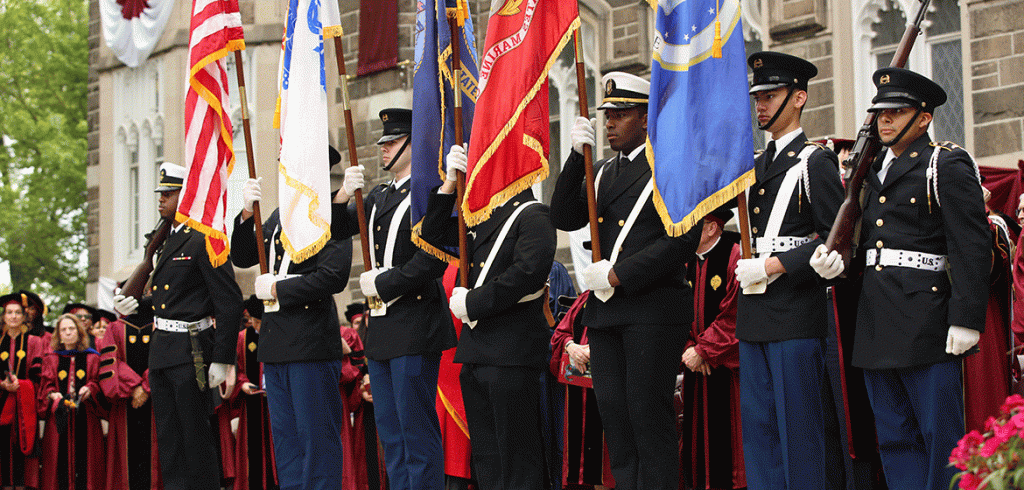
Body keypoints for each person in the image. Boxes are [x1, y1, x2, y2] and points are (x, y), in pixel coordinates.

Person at [810, 67, 990, 490]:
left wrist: (967, 317)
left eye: (897, 112)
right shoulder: (869, 171)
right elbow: (862, 240)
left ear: (924, 118)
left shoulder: (944, 164)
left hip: (926, 320)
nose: (884, 120)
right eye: (880, 113)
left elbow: (971, 245)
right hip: (875, 322)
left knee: (939, 438)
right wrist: (836, 265)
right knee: (894, 439)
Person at [548, 71, 702, 490]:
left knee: (647, 417)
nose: (610, 123)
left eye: (622, 114)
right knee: (615, 417)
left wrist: (618, 273)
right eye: (607, 115)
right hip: (606, 314)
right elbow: (562, 216)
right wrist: (573, 159)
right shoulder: (599, 172)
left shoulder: (670, 165)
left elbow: (683, 238)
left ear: (646, 119)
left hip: (652, 308)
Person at [735, 51, 845, 490]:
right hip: (754, 314)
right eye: (757, 96)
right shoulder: (751, 166)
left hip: (796, 313)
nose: (760, 105)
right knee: (761, 438)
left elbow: (835, 236)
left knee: (800, 437)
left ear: (798, 98)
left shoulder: (813, 162)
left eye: (771, 95)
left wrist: (776, 264)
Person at [334, 108, 457, 490]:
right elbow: (337, 229)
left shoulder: (430, 191)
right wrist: (340, 195)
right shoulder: (377, 195)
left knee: (416, 433)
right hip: (383, 328)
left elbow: (434, 257)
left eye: (391, 142)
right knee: (391, 434)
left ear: (411, 143)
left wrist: (386, 283)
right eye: (383, 143)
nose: (383, 149)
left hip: (416, 322)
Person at [421, 143, 556, 490]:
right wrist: (449, 185)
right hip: (477, 353)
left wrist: (475, 303)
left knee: (518, 459)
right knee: (488, 460)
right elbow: (431, 234)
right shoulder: (481, 220)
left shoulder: (534, 215)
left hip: (512, 352)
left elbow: (527, 272)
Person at [112, 161, 243, 490]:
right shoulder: (162, 240)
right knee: (169, 445)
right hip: (162, 353)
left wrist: (224, 357)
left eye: (169, 194)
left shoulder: (204, 239)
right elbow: (163, 301)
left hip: (193, 354)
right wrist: (135, 307)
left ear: (187, 197)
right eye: (161, 193)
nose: (161, 199)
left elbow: (228, 302)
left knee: (196, 443)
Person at [232, 155, 351, 490]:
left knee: (317, 443)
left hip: (310, 342)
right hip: (276, 345)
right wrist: (244, 214)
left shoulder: (328, 214)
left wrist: (277, 288)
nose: (284, 168)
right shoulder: (278, 216)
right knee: (286, 446)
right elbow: (241, 256)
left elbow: (333, 276)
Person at [680, 206, 745, 490]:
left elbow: (736, 312)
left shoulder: (735, 254)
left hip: (725, 370)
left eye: (692, 223)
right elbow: (674, 308)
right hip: (694, 366)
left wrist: (705, 350)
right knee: (694, 443)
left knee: (728, 445)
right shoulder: (683, 260)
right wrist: (689, 348)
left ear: (711, 227)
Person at [38, 313, 105, 490]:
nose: (68, 333)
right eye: (63, 330)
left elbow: (98, 382)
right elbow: (46, 386)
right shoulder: (51, 358)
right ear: (58, 334)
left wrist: (90, 388)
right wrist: (53, 395)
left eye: (71, 328)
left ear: (79, 331)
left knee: (87, 466)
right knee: (59, 467)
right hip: (59, 421)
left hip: (87, 419)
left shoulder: (92, 357)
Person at [97, 302, 157, 489]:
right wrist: (135, 388)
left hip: (157, 403)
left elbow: (164, 357)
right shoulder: (115, 328)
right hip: (125, 403)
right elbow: (111, 361)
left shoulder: (162, 325)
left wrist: (146, 387)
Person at [232, 295, 279, 490]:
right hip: (254, 404)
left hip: (277, 403)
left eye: (258, 321)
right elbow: (237, 369)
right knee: (255, 455)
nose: (255, 326)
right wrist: (242, 383)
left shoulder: (279, 333)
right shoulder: (244, 338)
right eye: (253, 321)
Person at [0, 294, 45, 490]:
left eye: (18, 313)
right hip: (1, 402)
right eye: (9, 313)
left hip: (24, 404)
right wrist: (3, 385)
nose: (13, 317)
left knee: (21, 446)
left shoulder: (34, 342)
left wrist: (23, 384)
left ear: (24, 316)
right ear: (3, 317)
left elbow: (39, 374)